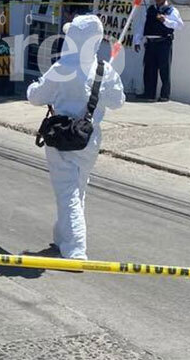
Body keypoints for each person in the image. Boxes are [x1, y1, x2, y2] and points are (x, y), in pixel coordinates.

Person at [26, 14, 125, 261]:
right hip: (88, 138)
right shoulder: (104, 69)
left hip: (61, 136)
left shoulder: (61, 68)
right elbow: (118, 102)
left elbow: (36, 97)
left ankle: (75, 249)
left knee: (68, 191)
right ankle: (62, 238)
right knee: (76, 188)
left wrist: (34, 86)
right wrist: (104, 83)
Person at [134, 0, 184, 102]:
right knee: (149, 69)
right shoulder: (150, 9)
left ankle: (164, 95)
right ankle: (149, 94)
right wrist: (137, 40)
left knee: (164, 69)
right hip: (151, 43)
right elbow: (142, 26)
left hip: (163, 43)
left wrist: (165, 20)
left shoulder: (171, 10)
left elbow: (180, 25)